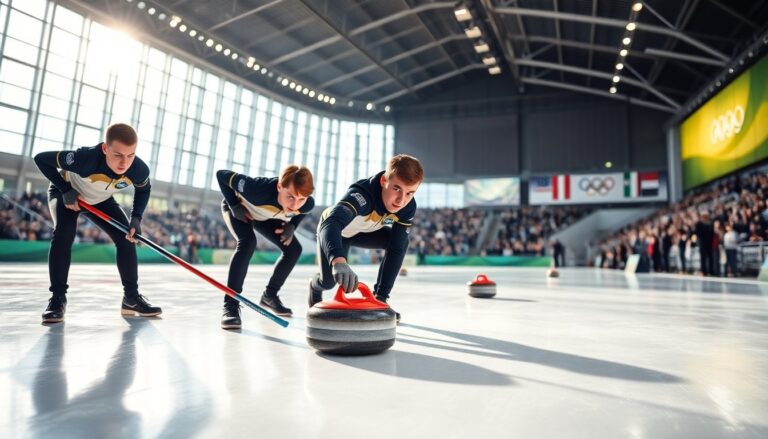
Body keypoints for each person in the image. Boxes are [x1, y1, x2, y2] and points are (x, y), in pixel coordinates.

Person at [33, 123, 161, 323]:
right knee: (64, 232)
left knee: (126, 237)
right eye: (118, 155)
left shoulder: (138, 169)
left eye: (131, 155)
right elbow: (41, 159)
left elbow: (143, 190)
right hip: (67, 192)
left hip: (100, 200)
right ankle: (57, 299)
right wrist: (65, 188)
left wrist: (136, 218)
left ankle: (131, 299)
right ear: (105, 148)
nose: (124, 163)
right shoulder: (85, 159)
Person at [309, 154, 424, 323]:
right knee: (328, 283)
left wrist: (381, 299)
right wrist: (338, 261)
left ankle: (381, 298)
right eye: (397, 189)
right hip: (336, 231)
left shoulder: (408, 207)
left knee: (400, 241)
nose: (401, 200)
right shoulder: (361, 195)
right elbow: (331, 223)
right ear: (384, 180)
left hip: (363, 232)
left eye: (410, 193)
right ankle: (314, 284)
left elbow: (397, 246)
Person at [216, 165, 315, 329]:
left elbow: (303, 211)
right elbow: (221, 175)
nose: (295, 205)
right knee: (247, 243)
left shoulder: (306, 204)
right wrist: (234, 205)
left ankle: (270, 296)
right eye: (290, 196)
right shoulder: (256, 189)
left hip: (265, 217)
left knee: (294, 249)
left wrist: (292, 226)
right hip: (241, 210)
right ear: (279, 187)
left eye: (301, 199)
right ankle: (230, 305)